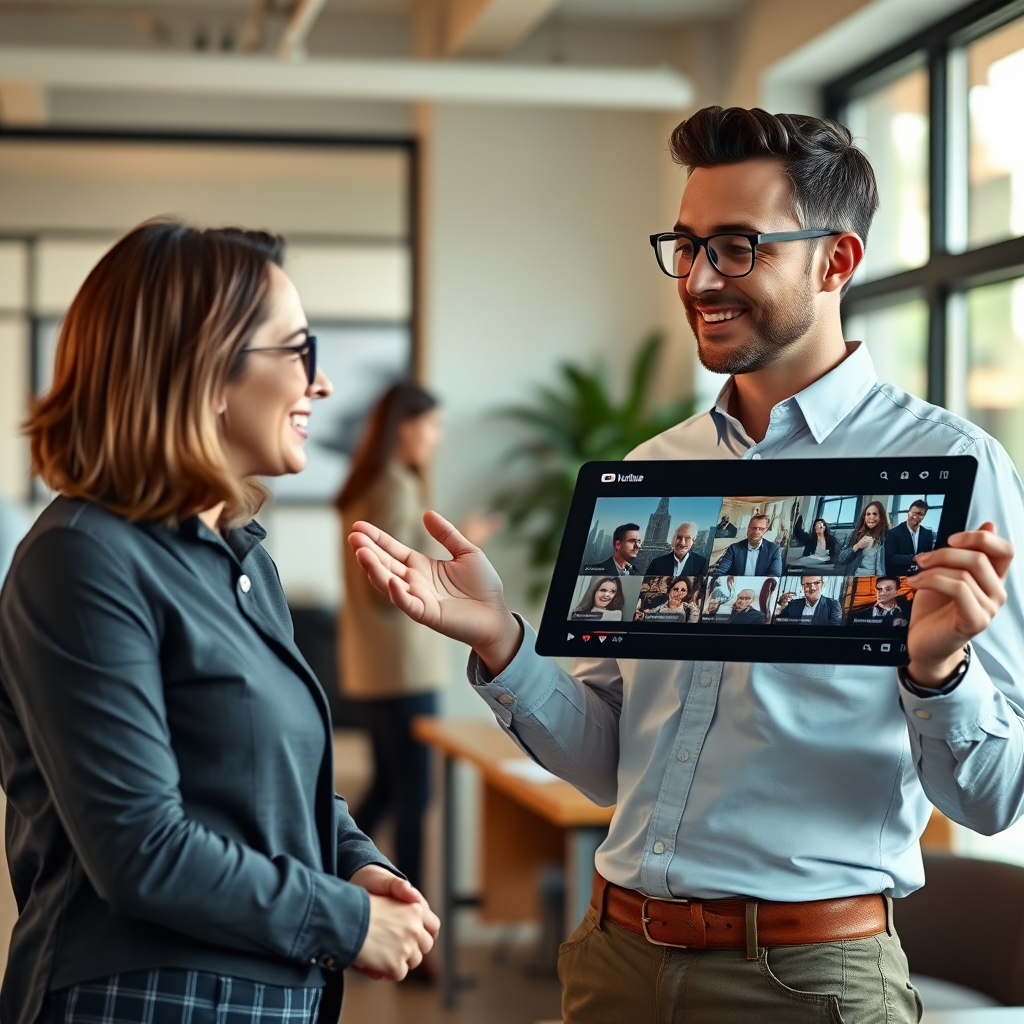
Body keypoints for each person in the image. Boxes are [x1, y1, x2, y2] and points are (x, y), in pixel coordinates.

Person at [349, 106, 1024, 1024]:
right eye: (689, 244)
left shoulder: (955, 471)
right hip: (613, 963)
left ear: (837, 261)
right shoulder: (653, 474)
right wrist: (503, 641)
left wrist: (936, 671)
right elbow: (608, 769)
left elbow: (993, 798)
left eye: (740, 246)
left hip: (808, 983)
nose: (701, 277)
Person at [0, 221, 439, 1024]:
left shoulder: (239, 559)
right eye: (299, 351)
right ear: (204, 370)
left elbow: (278, 784)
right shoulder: (81, 559)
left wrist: (356, 864)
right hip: (141, 998)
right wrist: (344, 920)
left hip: (263, 990)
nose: (323, 385)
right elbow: (139, 848)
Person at [335, 383, 450, 919]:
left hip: (373, 667)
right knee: (414, 799)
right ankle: (413, 920)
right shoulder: (396, 485)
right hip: (403, 669)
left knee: (385, 789)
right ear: (404, 426)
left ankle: (332, 878)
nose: (437, 437)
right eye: (431, 426)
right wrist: (448, 562)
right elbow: (387, 585)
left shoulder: (365, 483)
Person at [712, 513, 782, 576]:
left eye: (761, 529)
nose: (756, 532)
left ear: (766, 530)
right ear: (748, 528)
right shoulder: (734, 548)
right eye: (753, 528)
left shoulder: (774, 550)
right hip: (736, 587)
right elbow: (721, 571)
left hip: (760, 588)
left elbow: (775, 574)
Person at [838, 500, 889, 576]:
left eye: (875, 514)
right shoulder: (855, 534)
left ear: (881, 517)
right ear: (864, 517)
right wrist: (857, 546)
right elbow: (841, 559)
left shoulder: (887, 536)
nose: (871, 517)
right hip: (857, 576)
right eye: (868, 514)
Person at [885, 500, 935, 574]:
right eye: (913, 513)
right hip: (901, 576)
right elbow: (891, 558)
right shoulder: (893, 533)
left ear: (924, 516)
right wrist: (913, 558)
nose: (915, 516)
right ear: (908, 512)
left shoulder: (928, 534)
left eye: (920, 514)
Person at [646, 521, 710, 577]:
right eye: (679, 537)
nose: (682, 542)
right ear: (673, 539)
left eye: (687, 538)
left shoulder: (701, 563)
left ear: (693, 540)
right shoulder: (657, 563)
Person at [775, 575, 843, 625]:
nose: (812, 588)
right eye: (807, 584)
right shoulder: (791, 604)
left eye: (816, 583)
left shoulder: (833, 605)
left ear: (822, 584)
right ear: (802, 587)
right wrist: (779, 607)